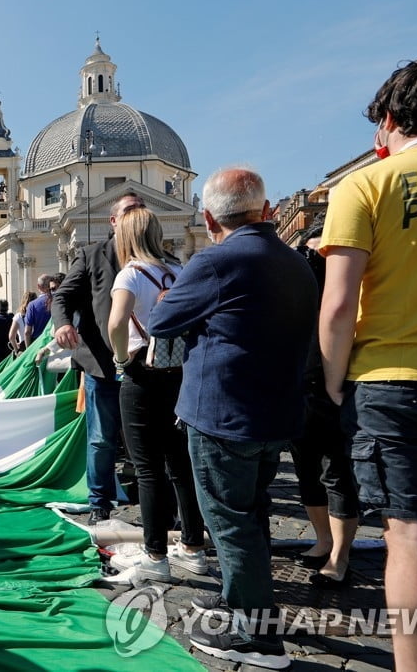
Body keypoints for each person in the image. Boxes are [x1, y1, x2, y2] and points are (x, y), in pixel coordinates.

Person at [318, 51, 417, 671]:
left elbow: (338, 304)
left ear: (389, 119)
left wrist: (333, 382)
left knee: (410, 535)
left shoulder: (363, 184)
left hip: (392, 381)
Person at [149, 167, 317, 669]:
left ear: (208, 216)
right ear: (266, 210)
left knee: (232, 524)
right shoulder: (295, 261)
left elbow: (161, 320)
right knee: (254, 513)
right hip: (278, 412)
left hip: (223, 413)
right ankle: (233, 597)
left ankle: (259, 638)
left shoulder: (217, 261)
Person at [106, 207, 206, 586]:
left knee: (147, 468)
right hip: (179, 374)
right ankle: (194, 548)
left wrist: (119, 357)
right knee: (181, 466)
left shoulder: (130, 274)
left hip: (141, 375)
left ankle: (155, 554)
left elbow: (116, 322)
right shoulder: (179, 272)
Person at [52, 194, 145, 525]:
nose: (136, 217)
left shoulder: (153, 258)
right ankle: (99, 503)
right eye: (129, 212)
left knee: (148, 441)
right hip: (103, 366)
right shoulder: (92, 256)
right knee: (102, 438)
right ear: (114, 221)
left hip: (146, 367)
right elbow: (63, 296)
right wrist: (62, 323)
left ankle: (157, 503)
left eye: (140, 211)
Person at [290, 223, 360, 586]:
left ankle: (340, 555)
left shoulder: (352, 282)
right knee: (306, 469)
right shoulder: (296, 284)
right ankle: (324, 541)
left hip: (338, 384)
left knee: (337, 472)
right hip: (301, 383)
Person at [22, 273, 53, 345]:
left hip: (38, 343)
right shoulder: (59, 300)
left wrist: (28, 350)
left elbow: (27, 332)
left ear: (38, 286)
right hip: (56, 342)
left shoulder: (32, 305)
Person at [7, 290, 36, 357]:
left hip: (24, 349)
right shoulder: (38, 314)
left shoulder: (18, 316)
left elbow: (11, 336)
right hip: (36, 345)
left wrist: (17, 350)